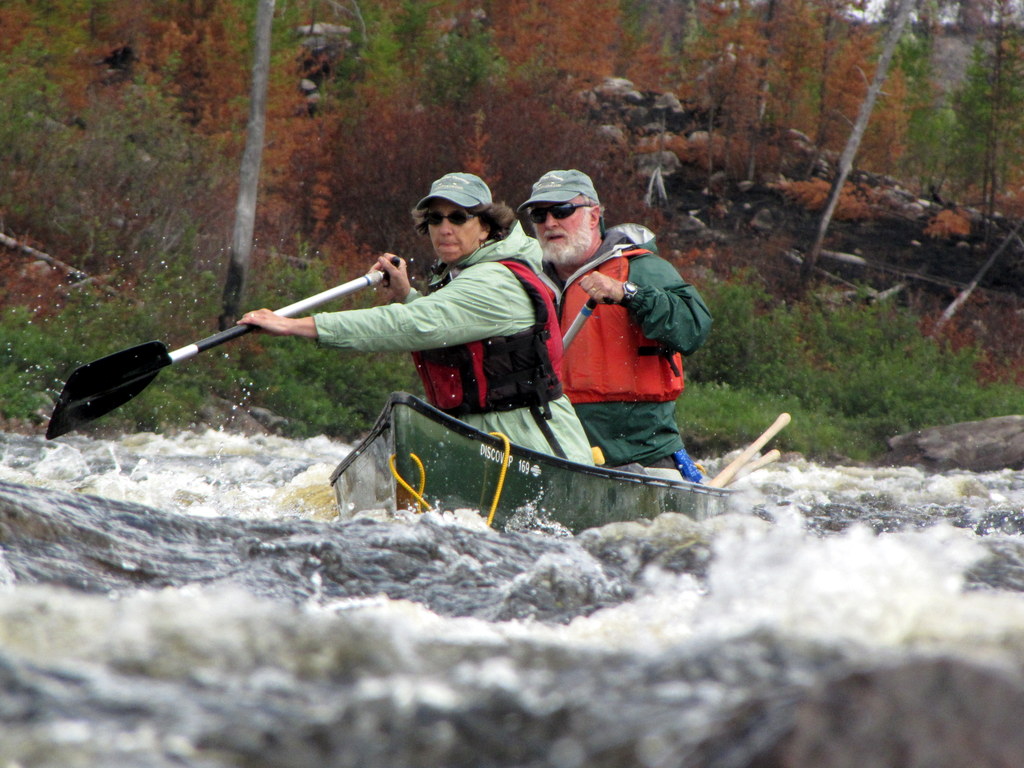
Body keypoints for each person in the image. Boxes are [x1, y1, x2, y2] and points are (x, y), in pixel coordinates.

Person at [238, 172, 594, 465]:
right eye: (435, 219)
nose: (444, 228)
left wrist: (294, 325)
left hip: (534, 442)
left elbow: (414, 325)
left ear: (485, 228)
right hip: (483, 438)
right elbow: (452, 323)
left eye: (458, 217)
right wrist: (406, 295)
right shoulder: (467, 273)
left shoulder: (495, 281)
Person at [519, 169, 712, 474]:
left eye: (562, 211)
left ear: (594, 217)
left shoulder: (641, 268)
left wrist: (628, 294)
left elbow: (694, 327)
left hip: (638, 452)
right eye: (539, 215)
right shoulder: (528, 281)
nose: (549, 223)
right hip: (557, 447)